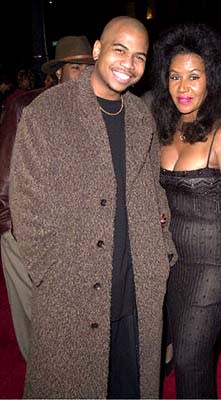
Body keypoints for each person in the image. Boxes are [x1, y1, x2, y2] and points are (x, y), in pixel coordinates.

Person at [9, 16, 176, 399]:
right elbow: (26, 202)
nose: (128, 64)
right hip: (73, 287)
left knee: (129, 384)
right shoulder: (48, 112)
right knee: (74, 385)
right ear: (98, 51)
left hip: (137, 283)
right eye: (120, 50)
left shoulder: (139, 116)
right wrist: (50, 271)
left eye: (139, 56)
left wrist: (161, 245)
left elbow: (152, 186)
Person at [151, 23, 221, 398]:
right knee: (177, 351)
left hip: (215, 264)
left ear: (210, 80)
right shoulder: (162, 132)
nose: (183, 88)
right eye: (175, 77)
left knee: (188, 358)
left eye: (194, 77)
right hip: (173, 262)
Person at [0, 35, 94, 362]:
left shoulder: (94, 110)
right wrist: (9, 228)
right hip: (24, 229)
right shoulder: (25, 105)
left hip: (68, 233)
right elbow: (6, 171)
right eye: (76, 67)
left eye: (90, 67)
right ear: (58, 72)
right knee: (34, 318)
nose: (84, 74)